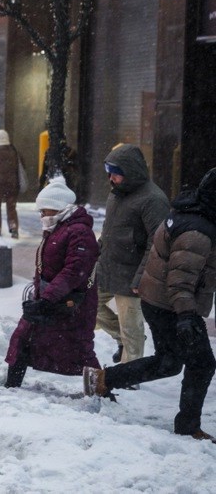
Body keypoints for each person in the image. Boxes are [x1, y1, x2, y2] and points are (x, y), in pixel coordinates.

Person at [83, 168, 216, 443]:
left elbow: (168, 257)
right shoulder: (198, 231)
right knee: (201, 364)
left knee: (168, 362)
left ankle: (102, 380)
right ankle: (188, 427)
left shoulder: (191, 210)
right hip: (173, 306)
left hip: (159, 300)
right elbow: (180, 280)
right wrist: (187, 316)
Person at [4, 177, 101, 388]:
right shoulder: (59, 227)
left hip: (72, 304)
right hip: (50, 299)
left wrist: (47, 298)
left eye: (44, 211)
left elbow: (75, 270)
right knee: (22, 339)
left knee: (81, 349)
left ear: (57, 208)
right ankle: (11, 386)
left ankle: (100, 391)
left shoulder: (79, 232)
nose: (41, 216)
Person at [95, 144, 169, 364]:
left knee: (131, 326)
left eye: (115, 174)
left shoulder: (153, 200)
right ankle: (122, 341)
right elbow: (109, 230)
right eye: (108, 173)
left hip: (132, 274)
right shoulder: (116, 193)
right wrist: (96, 252)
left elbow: (157, 244)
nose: (110, 179)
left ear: (130, 172)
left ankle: (130, 371)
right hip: (107, 266)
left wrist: (140, 278)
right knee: (89, 305)